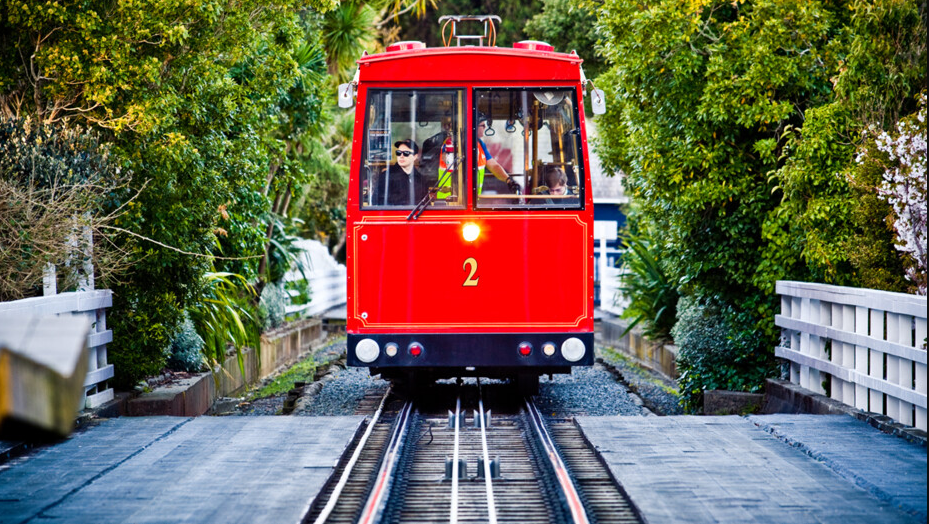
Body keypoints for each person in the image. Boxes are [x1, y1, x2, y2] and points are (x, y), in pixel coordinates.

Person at [374, 139, 431, 206]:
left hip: (416, 213)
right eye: (398, 153)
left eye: (406, 153)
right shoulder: (386, 177)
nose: (401, 156)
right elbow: (377, 203)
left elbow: (426, 204)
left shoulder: (421, 179)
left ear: (415, 157)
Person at [476, 112, 520, 195]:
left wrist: (509, 180)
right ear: (474, 127)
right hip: (457, 199)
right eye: (483, 125)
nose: (485, 128)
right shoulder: (463, 144)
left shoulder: (480, 144)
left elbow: (493, 166)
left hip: (474, 197)